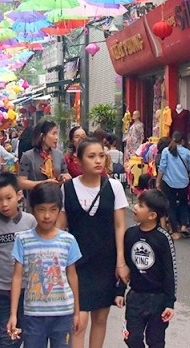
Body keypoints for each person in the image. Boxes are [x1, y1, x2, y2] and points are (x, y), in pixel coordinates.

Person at [60, 138, 129, 348]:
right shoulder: (68, 188)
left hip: (105, 263)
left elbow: (119, 226)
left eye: (101, 156)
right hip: (77, 265)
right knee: (78, 322)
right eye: (91, 156)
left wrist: (120, 261)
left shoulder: (114, 187)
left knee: (100, 318)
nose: (98, 161)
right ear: (79, 160)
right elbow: (60, 228)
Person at [7, 183, 82, 347]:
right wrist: (13, 314)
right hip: (33, 315)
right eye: (41, 209)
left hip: (63, 314)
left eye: (52, 209)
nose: (47, 215)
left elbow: (72, 276)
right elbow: (17, 277)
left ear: (59, 210)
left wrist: (77, 312)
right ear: (32, 209)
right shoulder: (23, 239)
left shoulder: (68, 240)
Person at [0, 172, 37, 348]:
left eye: (8, 198)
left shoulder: (30, 222)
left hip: (27, 290)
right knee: (6, 338)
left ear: (18, 195)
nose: (4, 204)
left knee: (27, 335)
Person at [116, 189, 177, 348]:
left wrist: (170, 302)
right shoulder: (130, 234)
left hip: (158, 299)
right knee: (131, 338)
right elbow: (126, 266)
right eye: (137, 203)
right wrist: (119, 291)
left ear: (152, 215)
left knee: (155, 341)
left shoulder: (163, 238)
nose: (135, 207)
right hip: (135, 297)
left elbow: (170, 272)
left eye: (140, 205)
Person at [155, 131, 190, 240]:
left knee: (171, 206)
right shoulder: (187, 152)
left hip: (169, 182)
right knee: (183, 204)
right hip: (183, 183)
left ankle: (175, 232)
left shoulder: (166, 151)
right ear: (182, 141)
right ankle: (183, 225)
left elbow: (162, 168)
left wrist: (158, 181)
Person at [18, 120, 70, 191]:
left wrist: (64, 178)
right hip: (36, 199)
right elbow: (22, 182)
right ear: (42, 136)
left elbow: (66, 174)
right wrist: (44, 183)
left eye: (57, 134)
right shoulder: (28, 156)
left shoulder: (59, 155)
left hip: (56, 198)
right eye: (53, 133)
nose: (56, 137)